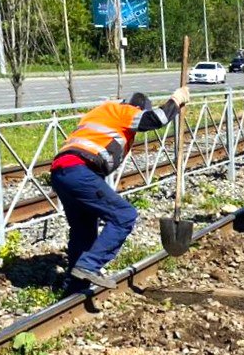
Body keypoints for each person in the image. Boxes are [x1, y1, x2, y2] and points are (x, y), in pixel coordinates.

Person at [49, 88, 189, 290]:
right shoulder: (124, 111)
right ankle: (89, 266)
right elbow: (156, 119)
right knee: (124, 215)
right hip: (80, 170)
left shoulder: (99, 112)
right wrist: (176, 100)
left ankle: (74, 285)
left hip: (61, 172)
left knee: (83, 228)